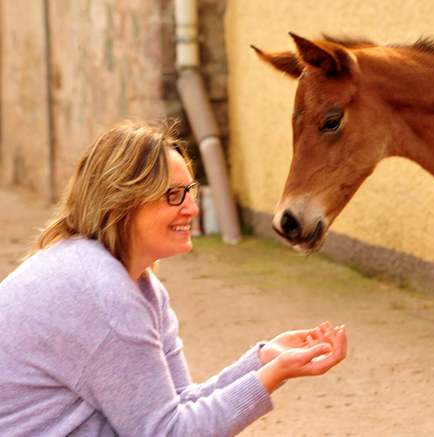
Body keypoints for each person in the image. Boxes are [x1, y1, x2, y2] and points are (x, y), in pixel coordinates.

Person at [0, 119, 347, 436]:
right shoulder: (103, 294)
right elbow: (168, 432)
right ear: (122, 200)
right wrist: (272, 376)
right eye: (172, 195)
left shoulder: (140, 287)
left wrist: (262, 362)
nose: (191, 208)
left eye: (189, 190)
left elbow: (178, 404)